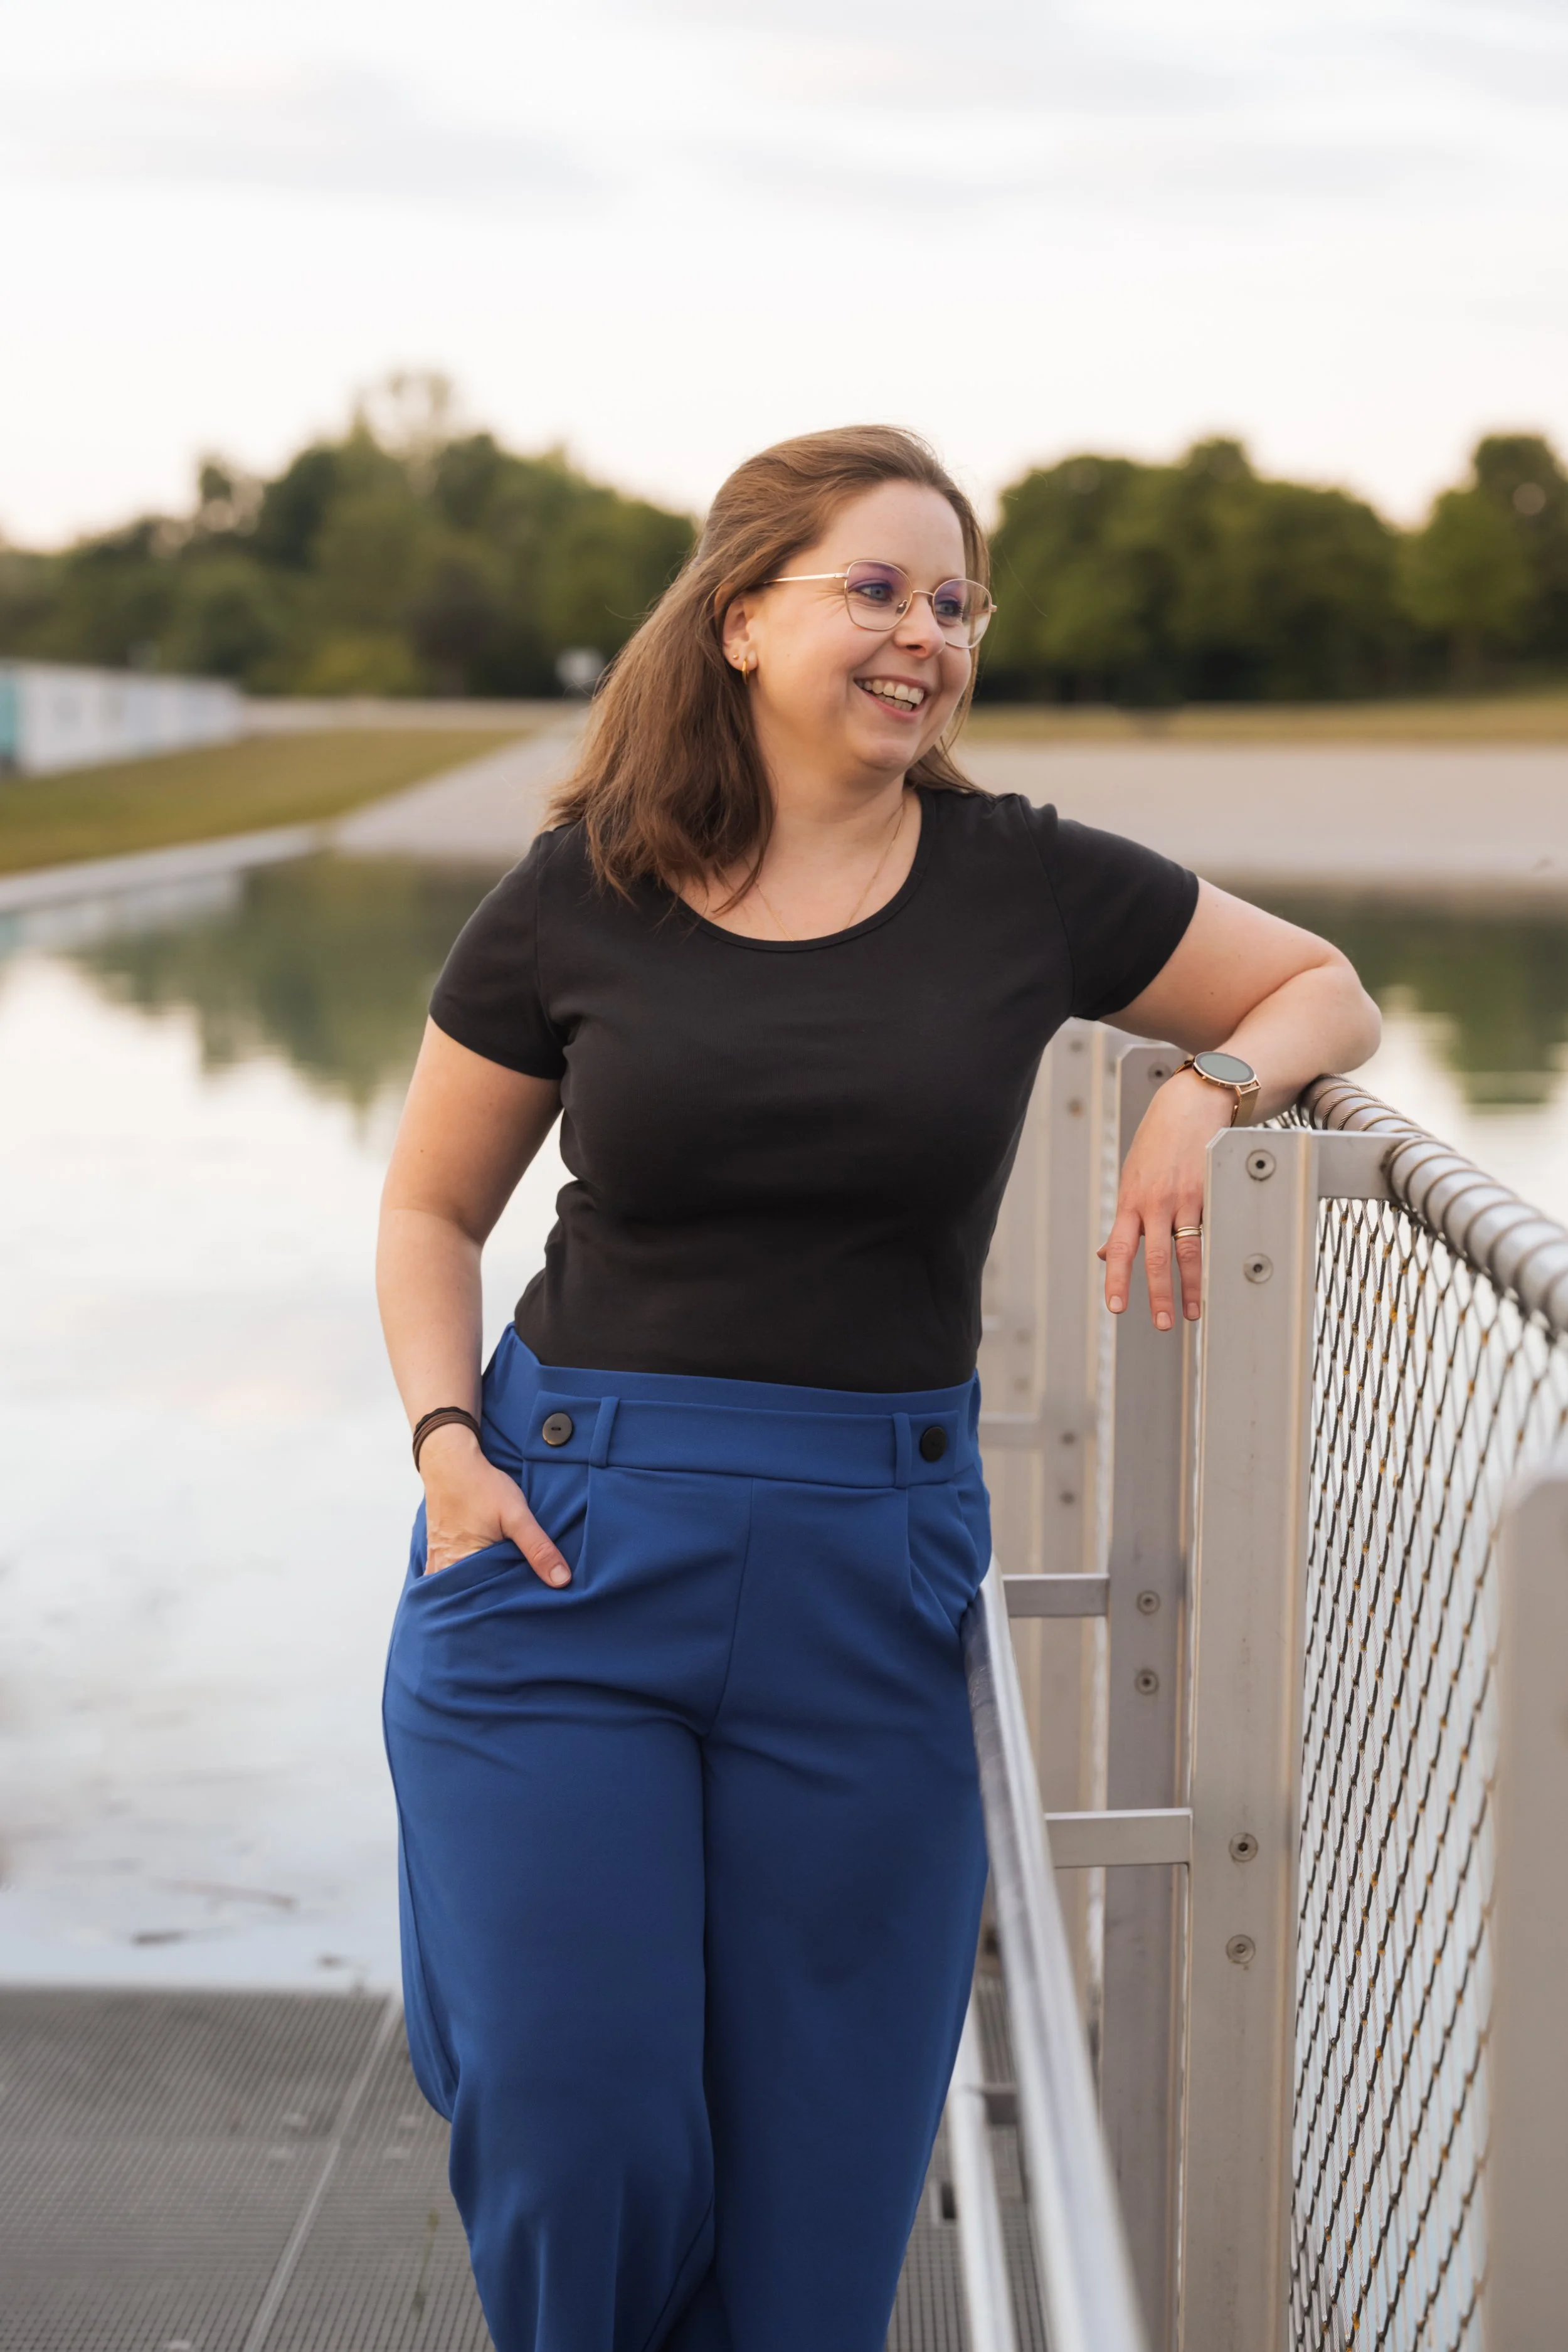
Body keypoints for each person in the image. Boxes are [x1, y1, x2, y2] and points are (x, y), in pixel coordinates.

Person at [376, 424, 1379, 2352]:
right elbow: (431, 1208)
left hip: (868, 1565)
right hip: (561, 1539)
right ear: (743, 619)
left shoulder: (1029, 885)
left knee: (821, 2189)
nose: (924, 630)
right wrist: (444, 1450)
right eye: (875, 588)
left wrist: (1210, 1091)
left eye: (953, 600)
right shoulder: (579, 892)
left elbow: (1317, 984)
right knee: (578, 2121)